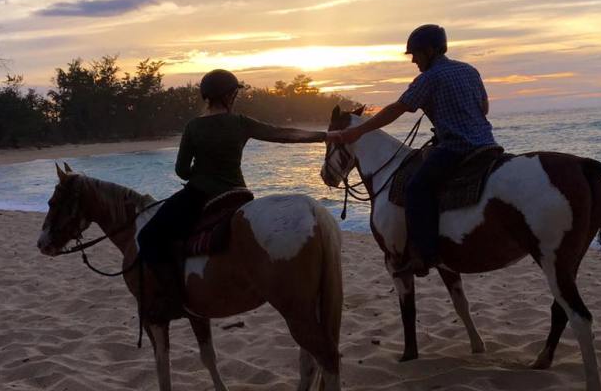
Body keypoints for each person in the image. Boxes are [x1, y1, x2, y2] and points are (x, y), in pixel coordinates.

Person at [138, 69, 327, 322]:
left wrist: (202, 172)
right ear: (228, 95)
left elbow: (181, 170)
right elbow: (282, 134)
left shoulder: (194, 127)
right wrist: (325, 137)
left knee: (149, 236)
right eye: (234, 92)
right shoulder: (240, 122)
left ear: (208, 97)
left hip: (201, 195)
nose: (236, 96)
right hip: (239, 194)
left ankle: (173, 301)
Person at [326, 24, 497, 276]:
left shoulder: (429, 78)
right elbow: (483, 108)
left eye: (415, 54)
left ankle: (425, 256)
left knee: (416, 188)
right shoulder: (469, 70)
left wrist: (359, 131)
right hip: (488, 144)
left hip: (456, 148)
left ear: (429, 50)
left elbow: (397, 108)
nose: (414, 60)